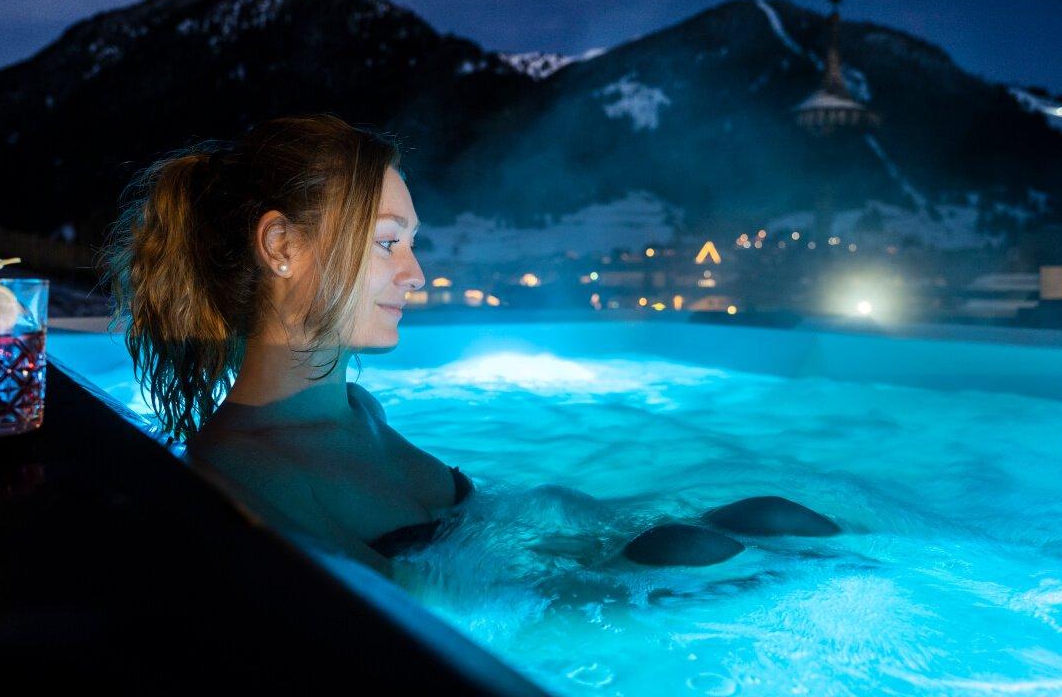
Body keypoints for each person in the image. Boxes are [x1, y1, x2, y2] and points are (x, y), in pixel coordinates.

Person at [100, 112, 839, 585]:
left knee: (773, 513)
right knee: (696, 550)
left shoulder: (361, 409)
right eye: (388, 242)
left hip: (559, 559)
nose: (415, 274)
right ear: (281, 246)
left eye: (411, 244)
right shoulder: (237, 473)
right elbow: (419, 630)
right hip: (555, 625)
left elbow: (501, 543)